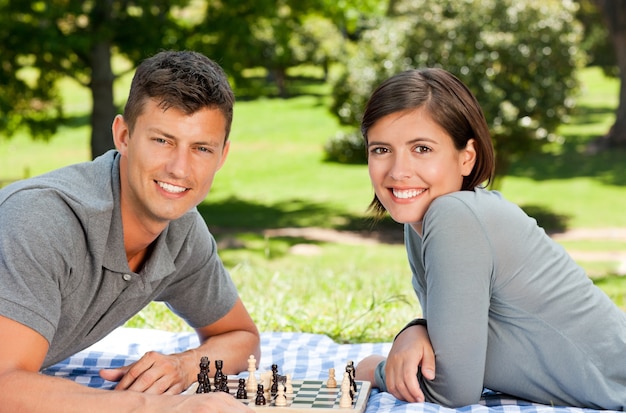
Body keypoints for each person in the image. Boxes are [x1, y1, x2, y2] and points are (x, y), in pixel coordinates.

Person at [0, 50, 260, 412]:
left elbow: (241, 338)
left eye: (201, 148)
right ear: (123, 135)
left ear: (222, 156)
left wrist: (184, 367)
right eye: (162, 140)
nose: (179, 168)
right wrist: (167, 408)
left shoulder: (182, 231)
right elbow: (4, 386)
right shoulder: (41, 220)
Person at [353, 68, 626, 410]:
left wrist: (374, 370)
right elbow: (456, 338)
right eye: (381, 150)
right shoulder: (421, 220)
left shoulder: (454, 216)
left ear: (466, 157)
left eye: (422, 148)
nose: (397, 171)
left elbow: (452, 388)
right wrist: (416, 328)